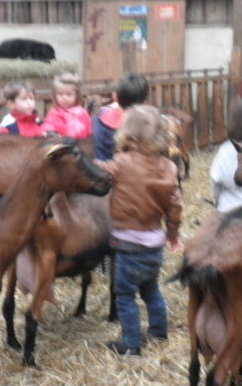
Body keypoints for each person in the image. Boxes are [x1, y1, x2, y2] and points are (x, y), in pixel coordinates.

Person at [95, 105, 182, 356]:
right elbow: (175, 205)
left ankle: (131, 344)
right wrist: (172, 234)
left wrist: (83, 159)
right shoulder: (169, 167)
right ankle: (158, 332)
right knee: (151, 290)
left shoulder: (122, 162)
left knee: (124, 296)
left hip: (128, 245)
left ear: (127, 133)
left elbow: (101, 170)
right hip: (154, 245)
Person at [92, 72, 149, 161]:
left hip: (100, 169)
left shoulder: (98, 118)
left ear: (116, 97)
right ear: (144, 102)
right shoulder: (148, 125)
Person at [40, 73, 92, 140]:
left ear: (76, 95)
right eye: (60, 94)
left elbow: (89, 130)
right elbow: (48, 124)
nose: (64, 98)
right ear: (55, 96)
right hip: (60, 145)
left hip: (80, 145)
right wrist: (50, 132)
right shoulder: (55, 112)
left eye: (69, 94)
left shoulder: (82, 112)